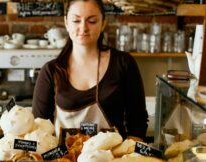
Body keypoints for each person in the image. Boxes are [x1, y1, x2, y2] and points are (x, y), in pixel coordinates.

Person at [32, 0, 148, 141]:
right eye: (76, 20)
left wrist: (130, 156)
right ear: (66, 23)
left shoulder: (123, 63)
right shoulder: (51, 71)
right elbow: (39, 128)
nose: (83, 28)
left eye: (92, 21)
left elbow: (138, 121)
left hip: (112, 159)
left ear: (103, 23)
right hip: (64, 160)